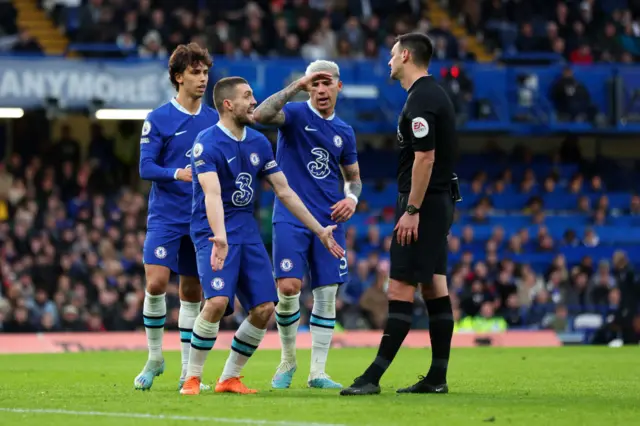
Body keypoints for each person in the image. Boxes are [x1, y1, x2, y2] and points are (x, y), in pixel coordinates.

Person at [180, 77, 344, 395]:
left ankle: (229, 377)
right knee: (215, 302)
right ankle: (192, 376)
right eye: (247, 96)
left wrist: (319, 229)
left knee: (265, 308)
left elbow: (285, 190)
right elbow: (211, 194)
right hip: (212, 233)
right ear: (228, 104)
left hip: (247, 232)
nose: (254, 101)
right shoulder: (206, 142)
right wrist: (220, 237)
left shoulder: (258, 142)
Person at [341, 32, 458, 396]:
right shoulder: (432, 94)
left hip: (423, 203)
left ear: (406, 56)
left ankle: (373, 377)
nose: (389, 61)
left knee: (400, 285)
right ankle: (437, 377)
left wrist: (411, 209)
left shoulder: (421, 100)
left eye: (392, 55)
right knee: (434, 284)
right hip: (438, 202)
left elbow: (425, 158)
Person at [253, 60, 361, 390]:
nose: (321, 89)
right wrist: (293, 88)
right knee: (288, 289)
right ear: (308, 86)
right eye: (315, 84)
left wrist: (352, 199)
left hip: (330, 218)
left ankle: (318, 372)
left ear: (339, 86)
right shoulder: (295, 115)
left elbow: (354, 179)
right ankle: (288, 359)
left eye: (327, 83)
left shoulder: (344, 131)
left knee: (327, 294)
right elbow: (259, 116)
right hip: (291, 215)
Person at [134, 43, 219, 392]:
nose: (202, 79)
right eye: (195, 73)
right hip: (166, 217)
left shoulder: (215, 119)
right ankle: (155, 357)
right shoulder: (158, 118)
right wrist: (176, 174)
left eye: (205, 73)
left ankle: (188, 371)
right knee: (155, 283)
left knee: (191, 291)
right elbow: (146, 166)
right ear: (178, 77)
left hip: (199, 219)